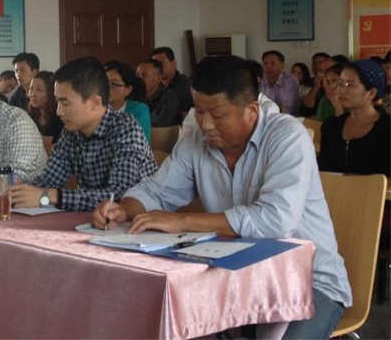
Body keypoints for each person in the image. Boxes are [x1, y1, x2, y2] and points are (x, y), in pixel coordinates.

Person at [94, 56, 351, 339]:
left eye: (217, 115)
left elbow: (275, 221)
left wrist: (182, 221)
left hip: (307, 279)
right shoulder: (196, 142)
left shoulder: (287, 136)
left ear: (251, 111)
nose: (205, 124)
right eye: (198, 111)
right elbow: (156, 191)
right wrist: (123, 209)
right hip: (232, 277)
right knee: (159, 322)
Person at [12, 57, 156, 211]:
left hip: (138, 221)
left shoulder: (126, 129)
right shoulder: (71, 132)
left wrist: (52, 196)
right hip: (92, 219)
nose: (59, 111)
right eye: (57, 102)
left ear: (95, 102)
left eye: (65, 103)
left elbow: (119, 196)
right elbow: (48, 181)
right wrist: (20, 192)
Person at [319, 60, 390, 176]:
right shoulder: (331, 125)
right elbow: (323, 170)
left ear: (371, 93)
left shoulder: (386, 128)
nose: (341, 90)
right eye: (340, 84)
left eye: (349, 85)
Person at [104, 60, 151, 141]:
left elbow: (141, 141)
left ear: (128, 90)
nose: (107, 88)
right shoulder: (95, 108)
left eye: (114, 84)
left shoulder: (139, 110)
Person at [136, 59, 181, 126]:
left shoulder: (169, 97)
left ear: (158, 78)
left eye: (144, 75)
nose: (139, 80)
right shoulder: (135, 97)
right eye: (137, 76)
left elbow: (159, 125)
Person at [151, 46, 193, 113]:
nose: (158, 67)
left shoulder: (186, 85)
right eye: (155, 64)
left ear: (174, 64)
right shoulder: (153, 84)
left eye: (162, 63)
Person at [27, 70, 63, 145]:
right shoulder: (30, 115)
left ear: (51, 93)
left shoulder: (60, 118)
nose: (32, 94)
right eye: (31, 89)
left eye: (39, 90)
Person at [260, 50, 300, 115]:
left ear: (282, 66)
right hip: (264, 117)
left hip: (287, 118)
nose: (268, 66)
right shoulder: (260, 79)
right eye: (265, 63)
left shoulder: (290, 81)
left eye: (272, 63)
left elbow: (287, 109)